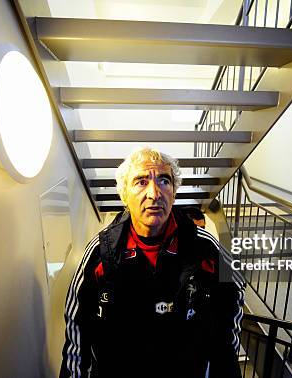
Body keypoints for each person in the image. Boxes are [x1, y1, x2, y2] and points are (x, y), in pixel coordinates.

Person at [60, 147, 245, 378]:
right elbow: (78, 330)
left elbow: (234, 291)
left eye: (164, 181)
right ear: (125, 195)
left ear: (174, 192)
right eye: (141, 182)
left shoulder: (205, 246)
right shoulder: (101, 252)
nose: (154, 193)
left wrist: (225, 364)